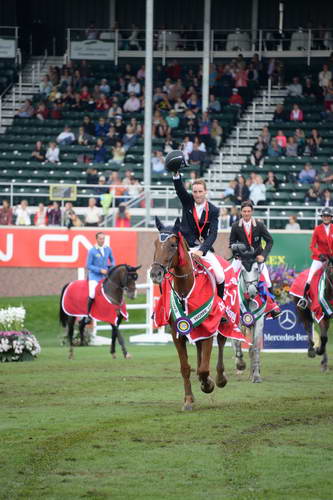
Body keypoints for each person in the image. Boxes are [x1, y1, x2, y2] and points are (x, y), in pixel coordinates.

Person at [165, 150, 226, 301]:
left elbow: (213, 234)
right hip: (184, 247)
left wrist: (202, 251)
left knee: (220, 275)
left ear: (206, 192)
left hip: (202, 250)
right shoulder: (187, 202)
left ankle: (220, 305)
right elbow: (179, 189)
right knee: (166, 270)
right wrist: (176, 173)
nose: (197, 194)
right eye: (195, 191)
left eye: (200, 191)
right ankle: (167, 305)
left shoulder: (213, 210)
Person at [229, 200, 280, 318]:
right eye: (244, 211)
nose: (246, 213)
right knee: (229, 278)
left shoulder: (260, 225)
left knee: (266, 280)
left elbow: (270, 241)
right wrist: (236, 253)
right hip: (242, 258)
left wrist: (263, 255)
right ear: (241, 212)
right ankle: (226, 305)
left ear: (252, 212)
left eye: (248, 211)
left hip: (256, 258)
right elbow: (231, 243)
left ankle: (273, 307)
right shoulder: (236, 226)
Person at [297, 207, 333, 308]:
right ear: (322, 217)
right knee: (310, 277)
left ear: (331, 217)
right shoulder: (317, 229)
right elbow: (312, 246)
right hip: (320, 258)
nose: (326, 218)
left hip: (331, 258)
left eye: (328, 216)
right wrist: (319, 254)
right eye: (324, 216)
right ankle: (304, 299)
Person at [86, 232, 115, 320]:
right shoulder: (92, 251)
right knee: (92, 293)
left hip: (105, 276)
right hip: (94, 276)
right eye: (101, 239)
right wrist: (99, 270)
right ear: (97, 239)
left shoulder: (108, 249)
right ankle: (88, 315)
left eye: (103, 238)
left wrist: (112, 266)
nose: (102, 240)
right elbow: (88, 265)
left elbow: (112, 259)